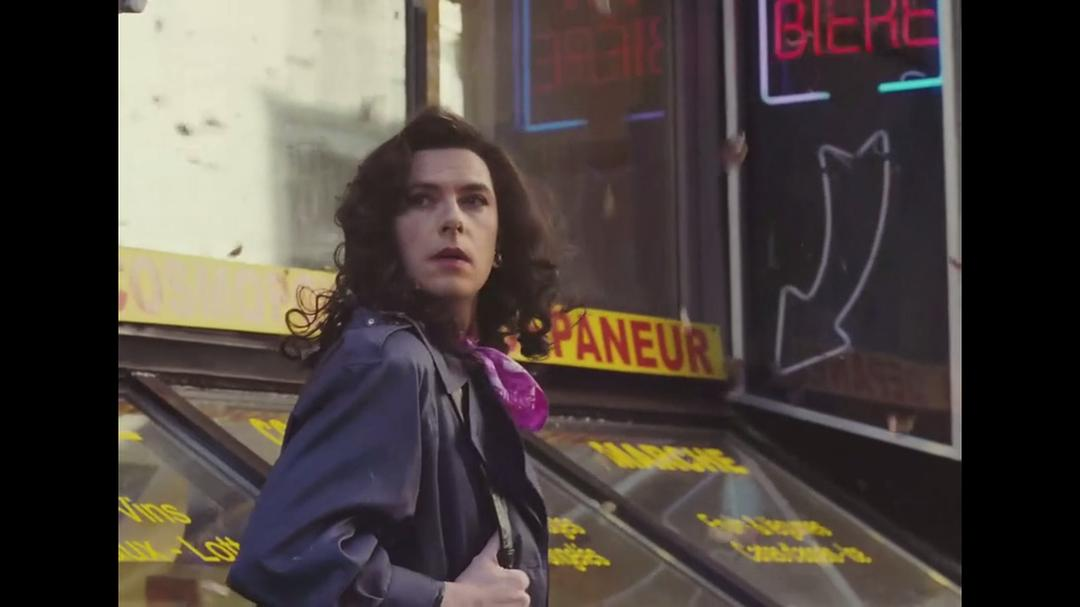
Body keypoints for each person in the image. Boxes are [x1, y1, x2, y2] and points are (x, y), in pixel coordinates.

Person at [227, 107, 560, 607]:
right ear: (388, 234)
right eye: (421, 200)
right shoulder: (390, 361)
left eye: (473, 201)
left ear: (500, 240)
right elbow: (284, 555)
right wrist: (449, 600)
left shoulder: (462, 366)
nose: (452, 220)